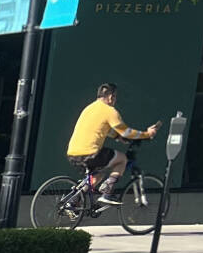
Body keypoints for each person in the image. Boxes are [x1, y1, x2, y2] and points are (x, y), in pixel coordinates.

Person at [66, 83, 157, 212]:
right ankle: (107, 192)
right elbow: (125, 131)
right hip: (90, 152)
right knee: (122, 159)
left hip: (73, 153)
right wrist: (147, 134)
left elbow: (106, 130)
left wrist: (119, 138)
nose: (115, 100)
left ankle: (73, 201)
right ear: (110, 97)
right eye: (115, 97)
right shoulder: (109, 111)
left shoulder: (89, 109)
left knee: (99, 174)